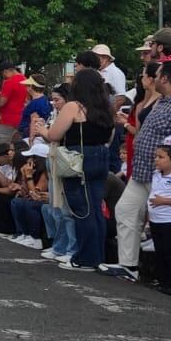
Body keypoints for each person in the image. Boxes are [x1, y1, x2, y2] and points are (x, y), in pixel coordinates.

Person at [44, 67, 116, 274]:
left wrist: (42, 131)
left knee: (81, 210)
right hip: (101, 158)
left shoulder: (74, 107)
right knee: (95, 208)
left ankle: (85, 258)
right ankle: (97, 255)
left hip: (78, 159)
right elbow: (110, 138)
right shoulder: (106, 108)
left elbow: (54, 134)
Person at [110, 61, 171, 282]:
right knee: (125, 211)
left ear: (164, 78)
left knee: (160, 224)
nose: (153, 79)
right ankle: (128, 265)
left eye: (156, 75)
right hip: (142, 169)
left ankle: (160, 274)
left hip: (161, 174)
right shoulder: (162, 101)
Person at [145, 142, 171, 295]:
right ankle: (163, 281)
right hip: (156, 220)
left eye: (161, 157)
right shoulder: (155, 175)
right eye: (155, 156)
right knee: (160, 251)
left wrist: (164, 201)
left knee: (169, 252)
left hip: (169, 221)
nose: (156, 159)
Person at [0, 62, 28, 143]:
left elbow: (1, 102)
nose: (4, 76)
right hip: (21, 117)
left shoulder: (9, 82)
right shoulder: (25, 80)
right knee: (17, 144)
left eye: (3, 74)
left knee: (3, 144)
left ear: (6, 71)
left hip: (7, 119)